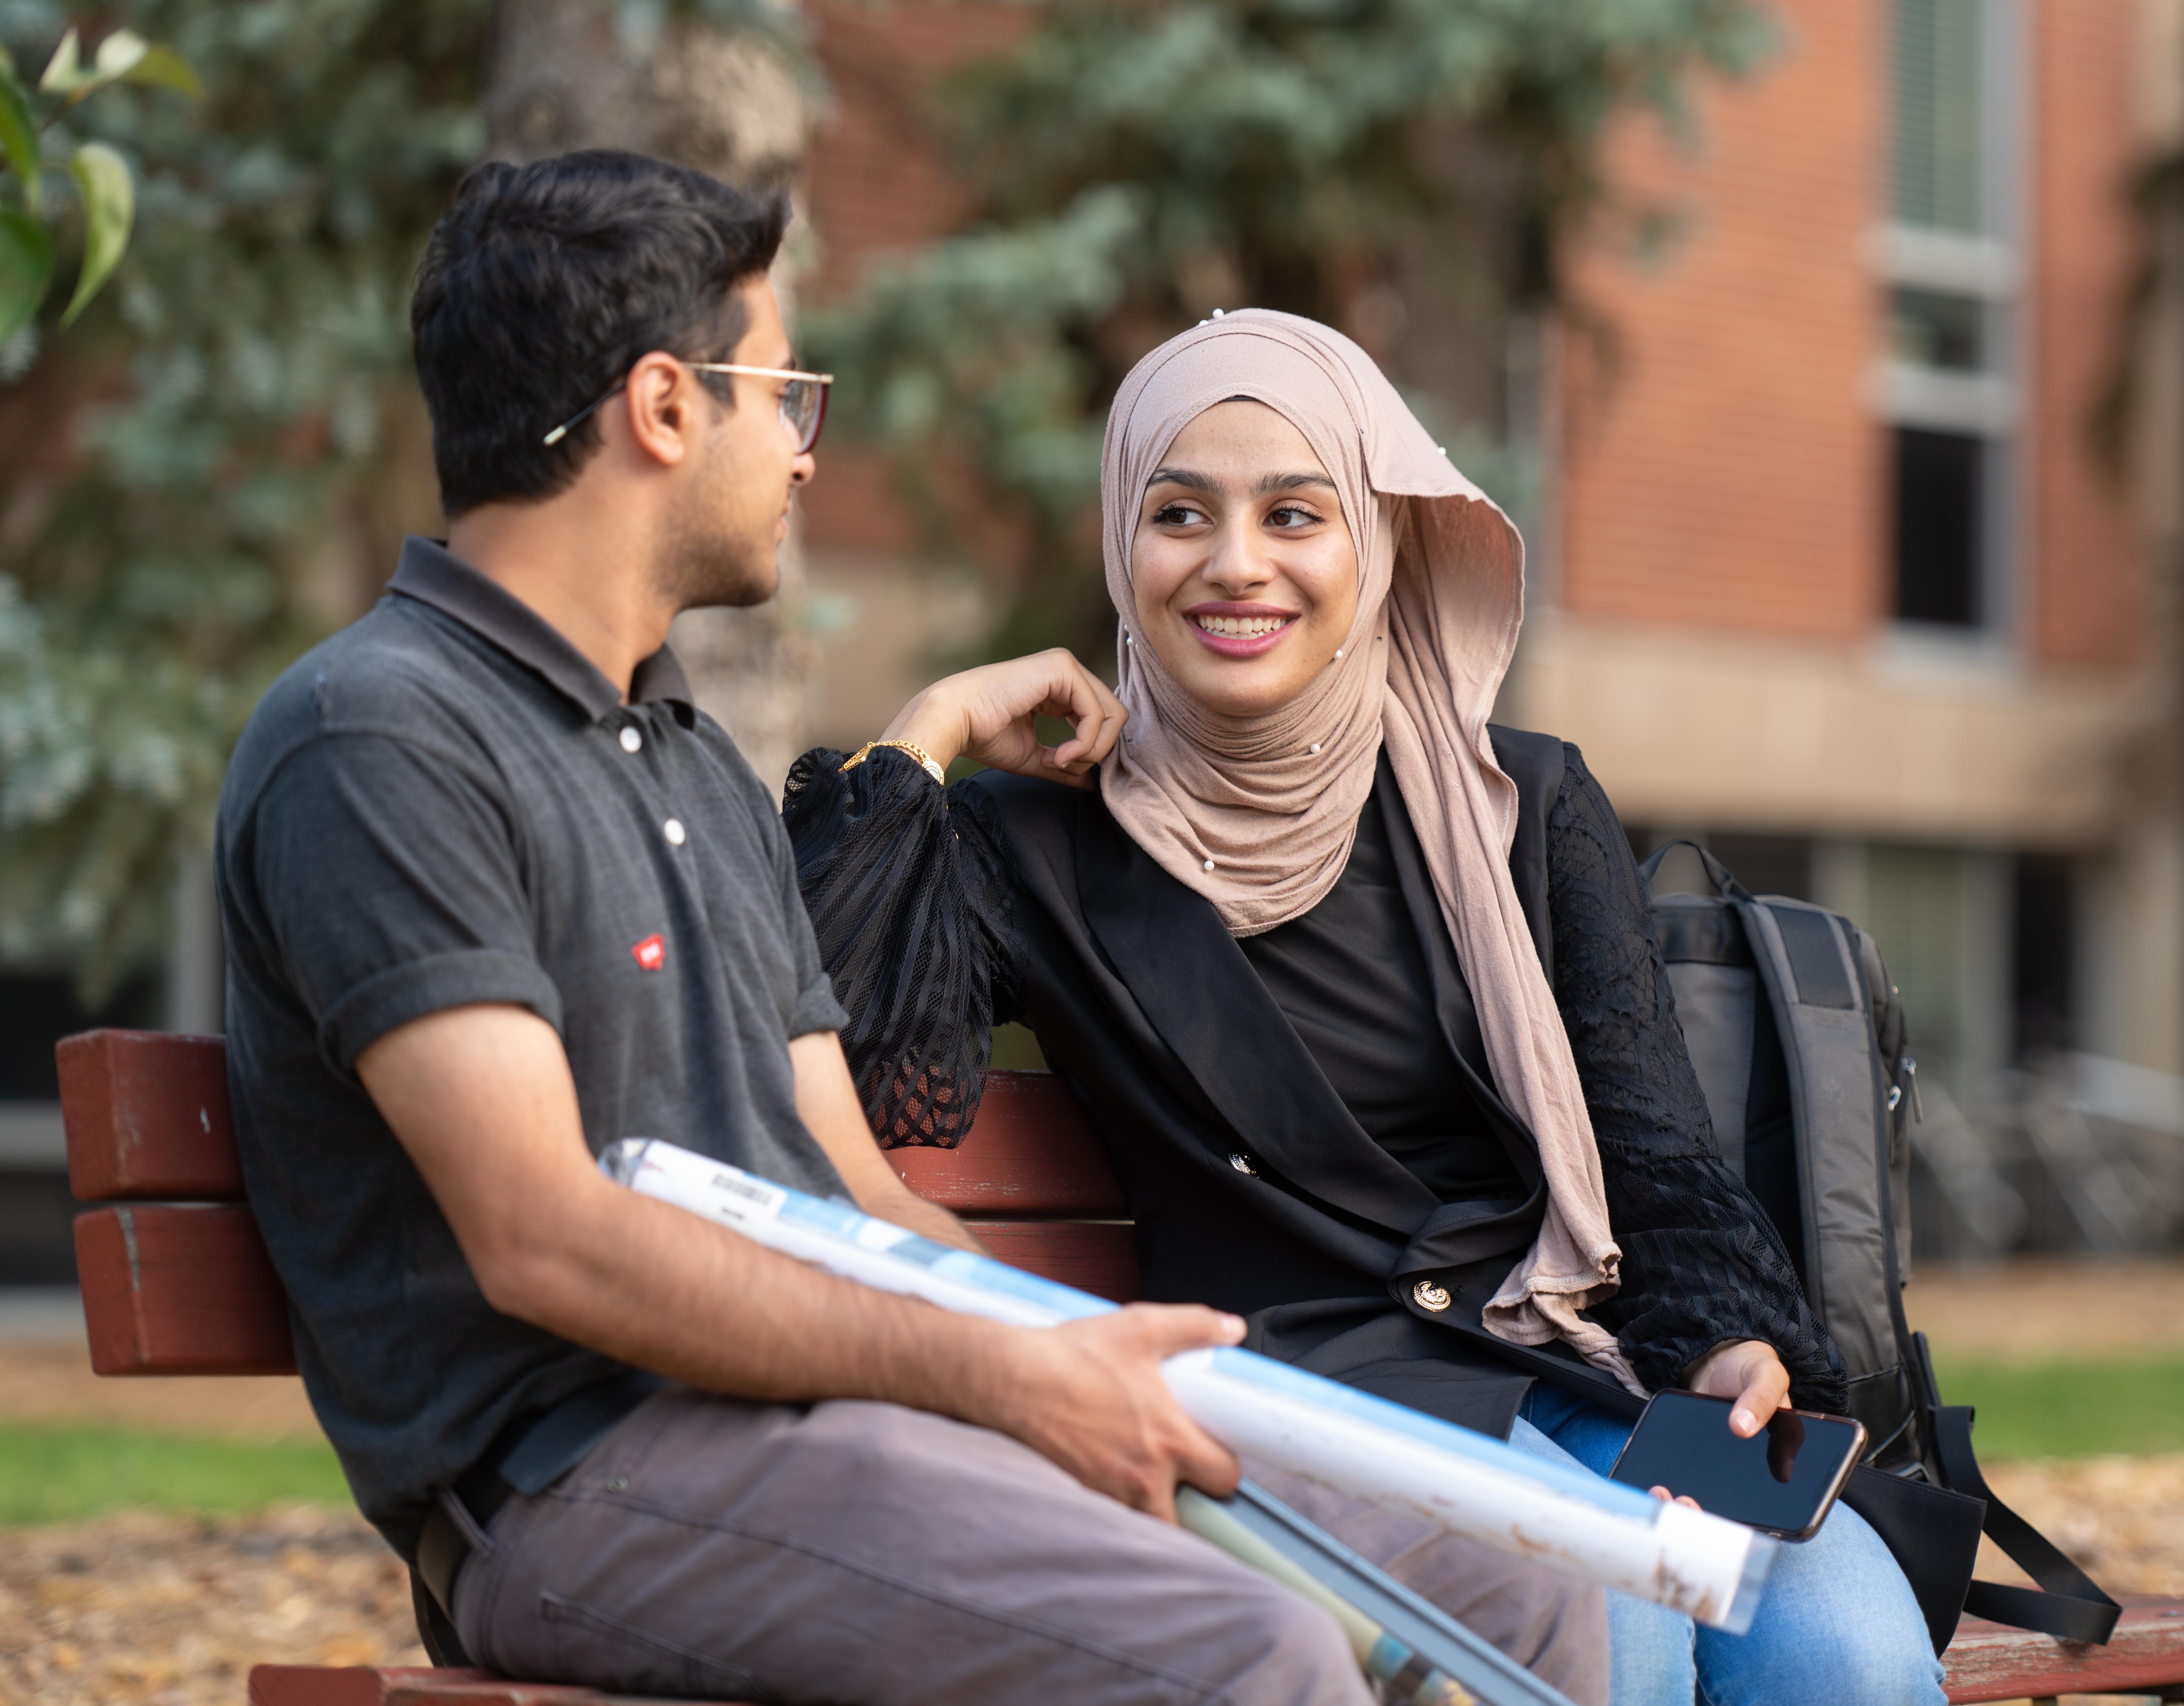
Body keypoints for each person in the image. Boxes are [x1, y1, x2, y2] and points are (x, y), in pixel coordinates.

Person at [216, 155, 1604, 1706]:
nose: (807, 457)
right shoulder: (383, 739)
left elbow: (862, 1194)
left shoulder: (688, 769)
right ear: (668, 409)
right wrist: (1002, 1375)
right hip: (584, 1470)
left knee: (1509, 1597)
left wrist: (1085, 1363)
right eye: (784, 395)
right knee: (1252, 1649)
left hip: (850, 1424)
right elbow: (547, 1238)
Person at [785, 309, 1947, 1706]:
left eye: (1294, 513)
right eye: (1178, 513)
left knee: (1853, 1652)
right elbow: (802, 1011)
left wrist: (1726, 1345)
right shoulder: (1039, 849)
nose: (1236, 564)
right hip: (1305, 1398)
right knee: (1603, 1636)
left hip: (1581, 1365)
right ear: (1120, 541)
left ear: (1376, 541)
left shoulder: (1519, 804)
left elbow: (1659, 1158)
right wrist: (935, 728)